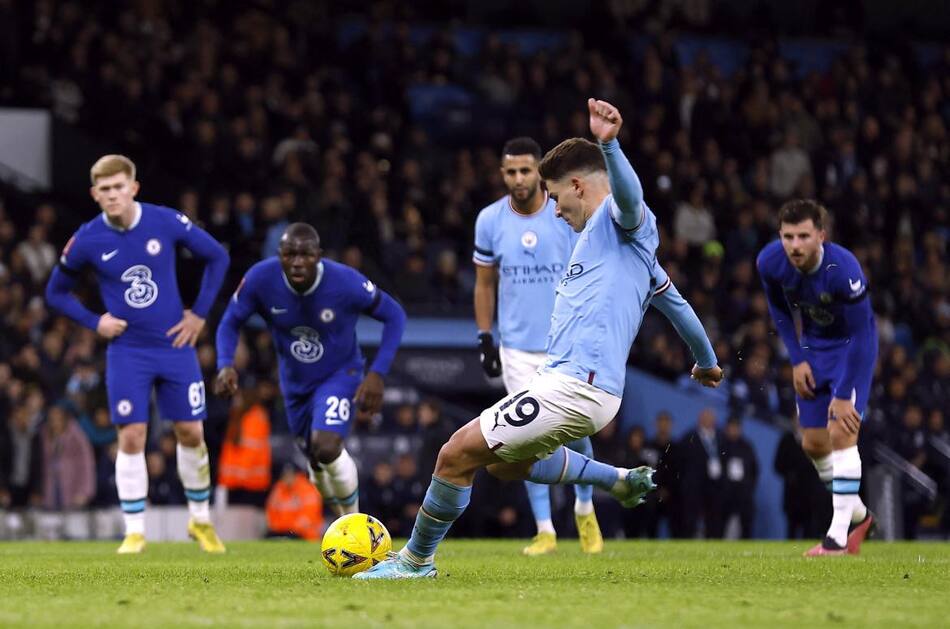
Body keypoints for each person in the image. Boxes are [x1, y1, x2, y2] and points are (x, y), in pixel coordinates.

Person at [357, 98, 723, 579]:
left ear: (577, 186)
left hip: (575, 385)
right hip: (579, 386)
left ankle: (414, 561)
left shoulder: (620, 222)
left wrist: (609, 145)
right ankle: (615, 480)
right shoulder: (624, 252)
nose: (552, 209)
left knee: (453, 455)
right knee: (507, 466)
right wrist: (707, 361)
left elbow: (629, 199)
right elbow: (677, 305)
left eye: (554, 197)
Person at [45, 154, 230, 554]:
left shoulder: (164, 220)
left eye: (118, 187)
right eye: (105, 189)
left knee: (191, 432)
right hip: (127, 350)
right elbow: (55, 292)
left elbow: (218, 256)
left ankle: (200, 521)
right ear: (95, 194)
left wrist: (198, 315)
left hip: (174, 344)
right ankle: (134, 531)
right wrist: (95, 323)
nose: (112, 195)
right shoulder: (88, 238)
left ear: (134, 187)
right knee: (131, 435)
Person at [214, 223, 406, 517]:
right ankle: (344, 519)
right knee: (317, 465)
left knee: (327, 446)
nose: (298, 262)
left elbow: (394, 315)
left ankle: (356, 526)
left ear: (319, 256)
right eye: (290, 254)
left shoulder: (345, 282)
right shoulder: (260, 279)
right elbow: (229, 322)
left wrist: (377, 372)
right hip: (294, 386)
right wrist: (225, 364)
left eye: (305, 255)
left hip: (340, 374)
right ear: (279, 255)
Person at [473, 136, 601, 556]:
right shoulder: (490, 220)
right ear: (502, 174)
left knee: (577, 432)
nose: (518, 179)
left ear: (539, 171)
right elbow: (485, 283)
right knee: (526, 438)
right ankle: (545, 529)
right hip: (517, 350)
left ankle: (584, 507)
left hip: (565, 342)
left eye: (525, 170)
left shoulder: (563, 212)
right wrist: (485, 336)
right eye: (510, 171)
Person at [757, 199, 878, 555]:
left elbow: (863, 336)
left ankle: (837, 538)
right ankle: (856, 512)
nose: (795, 245)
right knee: (812, 443)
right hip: (813, 351)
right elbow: (778, 309)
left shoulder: (844, 269)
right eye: (788, 236)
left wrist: (843, 394)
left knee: (842, 431)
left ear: (821, 236)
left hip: (852, 352)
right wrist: (796, 360)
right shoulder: (769, 261)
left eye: (804, 236)